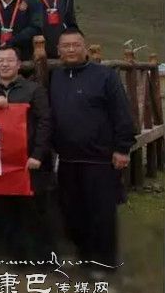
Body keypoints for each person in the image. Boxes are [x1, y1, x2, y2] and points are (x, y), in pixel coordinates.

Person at [50, 28, 134, 270]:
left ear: (85, 48)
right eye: (66, 46)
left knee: (101, 213)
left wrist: (122, 148)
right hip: (67, 160)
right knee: (72, 212)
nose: (71, 49)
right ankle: (83, 258)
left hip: (100, 159)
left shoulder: (105, 76)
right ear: (59, 50)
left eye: (76, 45)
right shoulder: (55, 77)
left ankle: (104, 264)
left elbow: (121, 112)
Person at [0, 46, 55, 259]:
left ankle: (43, 258)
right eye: (0, 61)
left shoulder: (33, 90)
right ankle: (15, 256)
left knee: (35, 211)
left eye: (9, 60)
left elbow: (45, 122)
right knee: (6, 210)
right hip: (2, 162)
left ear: (19, 64)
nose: (4, 64)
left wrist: (38, 154)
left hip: (29, 160)